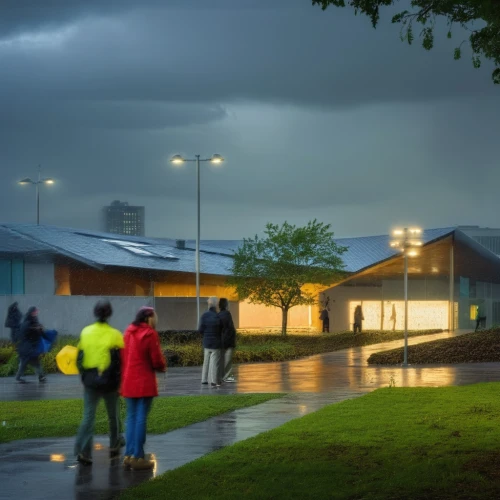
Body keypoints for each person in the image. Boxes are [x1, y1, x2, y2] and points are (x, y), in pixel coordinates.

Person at [74, 300, 124, 465]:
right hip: (110, 382)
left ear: (95, 313)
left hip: (91, 381)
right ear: (109, 314)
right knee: (113, 416)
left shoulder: (86, 332)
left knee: (88, 417)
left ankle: (84, 451)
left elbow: (79, 359)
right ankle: (114, 445)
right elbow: (121, 360)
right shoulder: (115, 334)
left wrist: (84, 376)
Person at [121, 306, 166, 471]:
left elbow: (123, 357)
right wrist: (163, 367)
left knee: (131, 418)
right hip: (144, 381)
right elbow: (156, 360)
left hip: (129, 381)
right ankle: (138, 456)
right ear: (149, 318)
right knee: (140, 418)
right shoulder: (150, 334)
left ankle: (128, 455)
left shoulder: (128, 333)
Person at [15, 307, 46, 384]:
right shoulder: (27, 322)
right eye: (35, 312)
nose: (36, 313)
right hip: (27, 347)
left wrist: (40, 329)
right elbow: (25, 333)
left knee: (32, 362)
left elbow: (39, 333)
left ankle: (40, 376)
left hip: (31, 347)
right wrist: (35, 329)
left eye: (36, 312)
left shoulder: (34, 321)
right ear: (32, 312)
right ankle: (20, 377)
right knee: (26, 362)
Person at [200, 296, 222, 388]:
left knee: (206, 361)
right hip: (216, 343)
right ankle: (213, 381)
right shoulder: (218, 316)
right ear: (216, 305)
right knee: (214, 362)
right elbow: (221, 329)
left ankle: (204, 379)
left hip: (206, 342)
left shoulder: (204, 315)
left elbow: (200, 329)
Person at [218, 298, 236, 383]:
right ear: (226, 305)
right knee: (228, 360)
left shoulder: (218, 315)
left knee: (221, 360)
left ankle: (221, 376)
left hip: (220, 341)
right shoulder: (227, 314)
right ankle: (226, 376)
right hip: (228, 341)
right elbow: (230, 328)